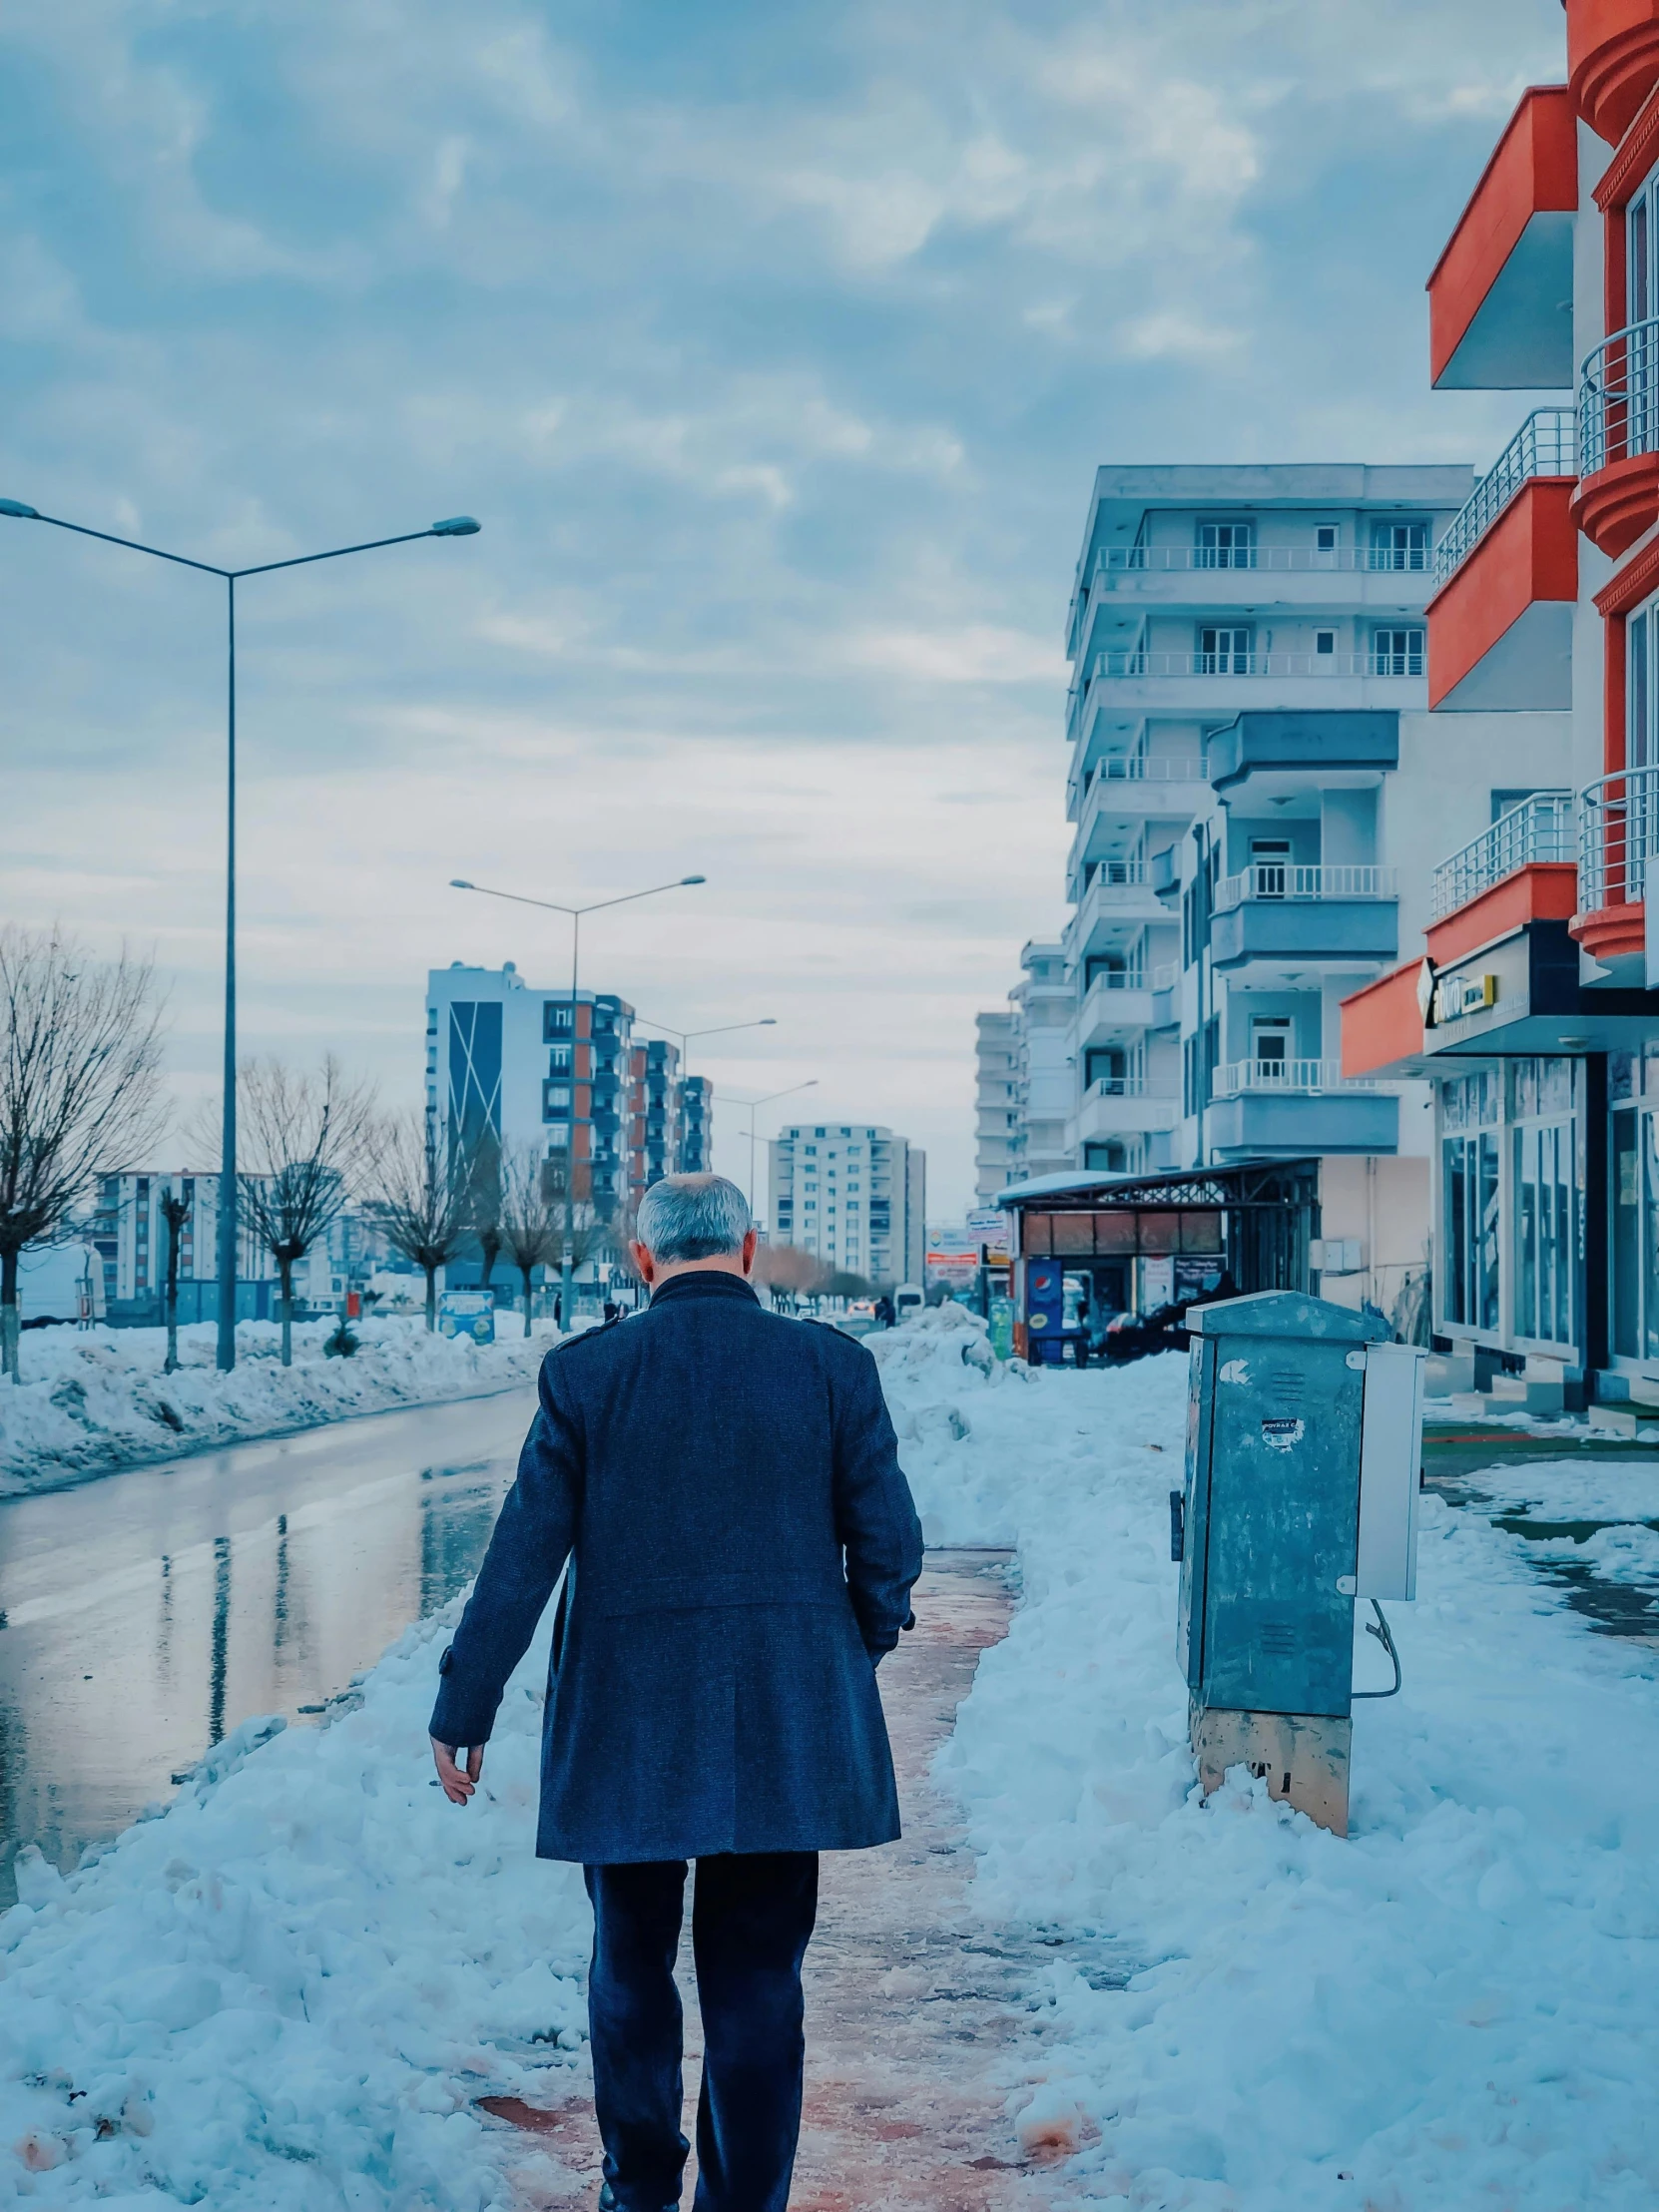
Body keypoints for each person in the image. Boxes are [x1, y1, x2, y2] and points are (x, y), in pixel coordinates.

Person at [428, 1173, 923, 2212]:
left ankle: (639, 2187)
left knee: (629, 1968)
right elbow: (889, 1541)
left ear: (641, 1258)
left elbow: (522, 1556)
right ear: (750, 1247)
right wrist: (852, 1647)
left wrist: (464, 1702)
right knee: (756, 1983)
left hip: (626, 1726)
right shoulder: (832, 1367)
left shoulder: (586, 1374)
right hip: (786, 1728)